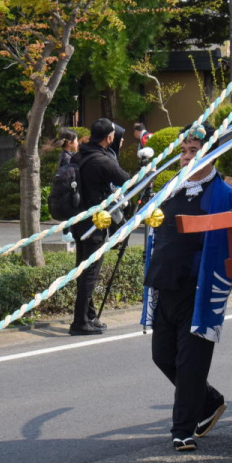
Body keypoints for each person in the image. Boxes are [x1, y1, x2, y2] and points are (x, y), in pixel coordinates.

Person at [143, 123, 232, 451]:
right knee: (162, 356)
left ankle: (182, 431)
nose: (185, 157)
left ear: (211, 154)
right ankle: (209, 401)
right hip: (165, 285)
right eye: (183, 151)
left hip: (200, 291)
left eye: (194, 150)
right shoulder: (171, 190)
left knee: (189, 363)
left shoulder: (225, 194)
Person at [69, 118, 130, 336]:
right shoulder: (102, 161)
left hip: (78, 221)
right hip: (95, 223)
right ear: (109, 138)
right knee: (90, 274)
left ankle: (89, 316)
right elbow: (127, 180)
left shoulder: (80, 155)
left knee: (82, 270)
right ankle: (79, 322)